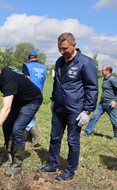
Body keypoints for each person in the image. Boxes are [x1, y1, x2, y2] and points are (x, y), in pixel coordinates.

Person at [37, 32, 98, 181]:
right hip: (59, 108)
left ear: (74, 45)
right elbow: (57, 83)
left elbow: (92, 87)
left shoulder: (85, 62)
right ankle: (51, 164)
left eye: (65, 48)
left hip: (75, 109)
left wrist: (87, 110)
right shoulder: (59, 61)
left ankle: (70, 170)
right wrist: (53, 100)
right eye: (59, 48)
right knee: (55, 138)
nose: (62, 51)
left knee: (72, 140)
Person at [0, 62, 43, 175]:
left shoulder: (8, 78)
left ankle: (17, 165)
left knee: (17, 129)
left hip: (32, 100)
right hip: (18, 100)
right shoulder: (0, 77)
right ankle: (10, 159)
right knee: (7, 126)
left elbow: (6, 109)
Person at [81, 65, 117, 140]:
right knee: (94, 117)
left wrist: (114, 100)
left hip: (110, 104)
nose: (101, 71)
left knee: (114, 120)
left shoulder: (112, 79)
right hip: (102, 103)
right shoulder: (105, 79)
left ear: (108, 71)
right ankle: (87, 133)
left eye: (103, 70)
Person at [21, 50, 47, 146]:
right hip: (39, 94)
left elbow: (24, 80)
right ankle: (28, 139)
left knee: (24, 115)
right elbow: (43, 83)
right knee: (32, 115)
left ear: (28, 58)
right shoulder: (44, 68)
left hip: (28, 94)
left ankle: (37, 135)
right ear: (37, 57)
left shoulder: (26, 66)